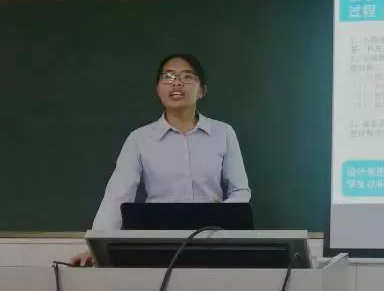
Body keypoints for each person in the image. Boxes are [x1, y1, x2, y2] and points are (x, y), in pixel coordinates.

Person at [70, 53, 251, 266]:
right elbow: (117, 194)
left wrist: (219, 215)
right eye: (168, 76)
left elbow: (240, 190)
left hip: (213, 240)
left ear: (202, 90)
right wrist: (96, 246)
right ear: (158, 89)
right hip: (156, 243)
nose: (176, 83)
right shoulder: (139, 139)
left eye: (187, 76)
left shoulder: (223, 133)